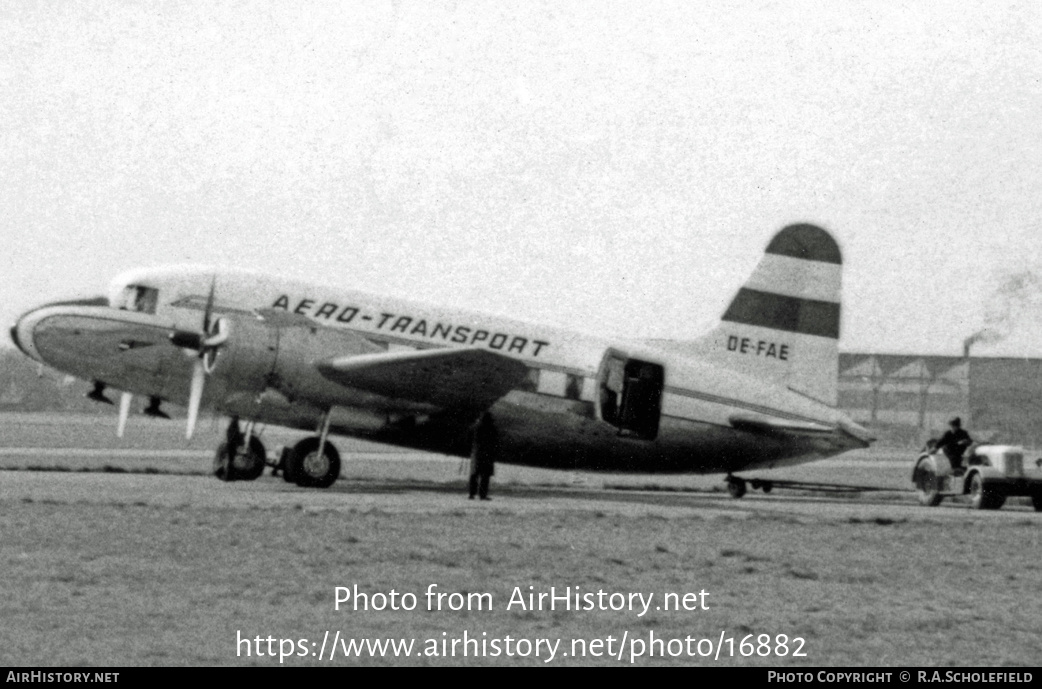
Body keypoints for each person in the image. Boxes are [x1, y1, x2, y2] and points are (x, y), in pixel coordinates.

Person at [468, 413, 497, 501]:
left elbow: (470, 438)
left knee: (474, 475)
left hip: (477, 454)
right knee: (485, 476)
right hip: (487, 454)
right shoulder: (492, 429)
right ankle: (482, 495)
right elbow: (495, 442)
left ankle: (472, 494)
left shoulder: (476, 427)